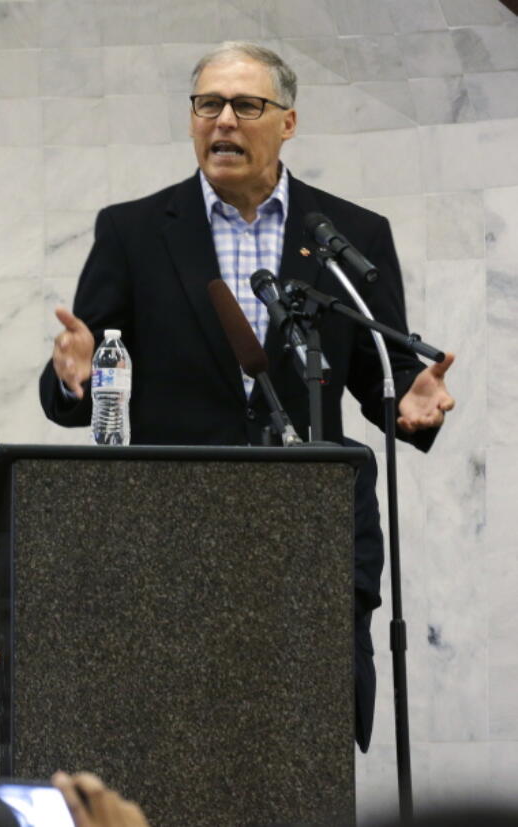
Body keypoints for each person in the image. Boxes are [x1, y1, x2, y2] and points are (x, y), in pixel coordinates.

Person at [38, 42, 455, 751]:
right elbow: (86, 374)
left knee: (296, 747)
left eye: (245, 106)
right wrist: (74, 378)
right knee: (174, 740)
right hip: (170, 530)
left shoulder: (349, 235)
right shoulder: (134, 230)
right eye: (208, 105)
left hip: (306, 536)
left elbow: (380, 380)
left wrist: (406, 405)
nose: (223, 120)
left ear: (287, 122)